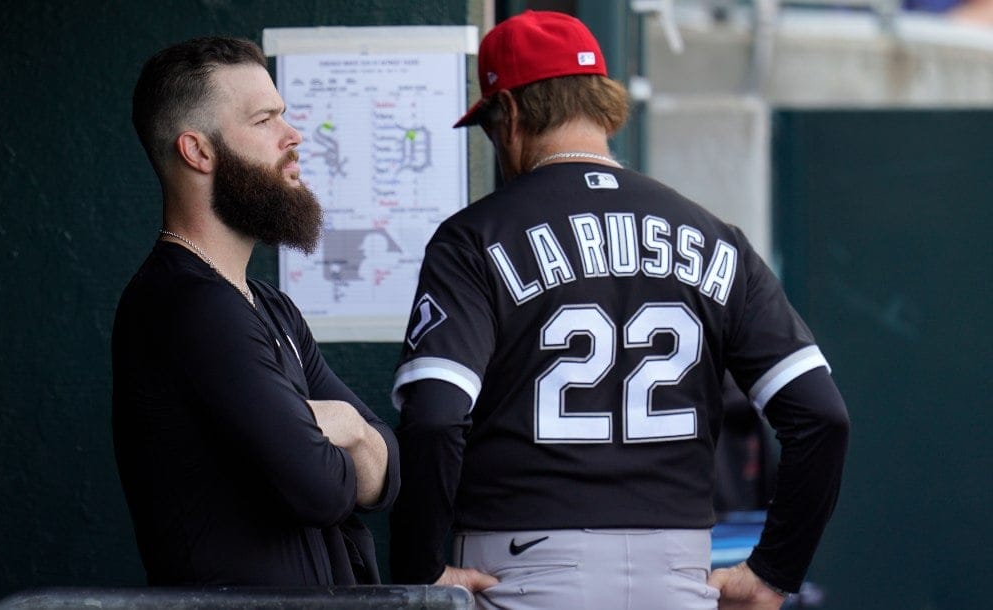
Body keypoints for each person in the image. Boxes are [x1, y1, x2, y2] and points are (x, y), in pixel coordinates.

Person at [388, 10, 849, 610]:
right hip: (680, 572)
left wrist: (419, 567)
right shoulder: (713, 236)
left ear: (514, 118)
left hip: (526, 568)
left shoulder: (473, 237)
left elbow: (435, 416)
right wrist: (773, 570)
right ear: (603, 107)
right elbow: (821, 416)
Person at [113, 36, 399, 587]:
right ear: (199, 151)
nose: (293, 137)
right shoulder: (186, 306)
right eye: (265, 119)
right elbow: (318, 488)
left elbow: (389, 470)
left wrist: (350, 431)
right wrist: (343, 427)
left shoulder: (269, 306)